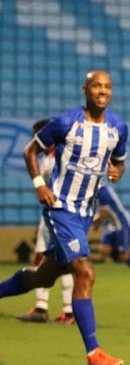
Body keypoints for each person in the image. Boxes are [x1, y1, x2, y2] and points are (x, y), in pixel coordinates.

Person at [0, 70, 128, 365]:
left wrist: (116, 173)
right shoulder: (66, 123)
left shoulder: (118, 127)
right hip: (61, 207)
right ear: (85, 89)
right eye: (96, 86)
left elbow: (120, 164)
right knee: (85, 273)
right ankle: (94, 353)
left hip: (85, 212)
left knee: (43, 277)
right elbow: (30, 150)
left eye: (107, 87)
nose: (102, 91)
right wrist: (39, 185)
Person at [15, 119, 75, 325]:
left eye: (37, 136)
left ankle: (58, 309)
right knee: (59, 261)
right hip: (53, 215)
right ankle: (52, 309)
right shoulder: (50, 157)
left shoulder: (58, 156)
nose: (35, 140)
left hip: (58, 215)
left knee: (57, 261)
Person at [93, 183, 130, 286]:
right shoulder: (97, 191)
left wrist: (93, 221)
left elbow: (104, 212)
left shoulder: (103, 192)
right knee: (103, 250)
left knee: (124, 256)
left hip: (122, 224)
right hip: (112, 225)